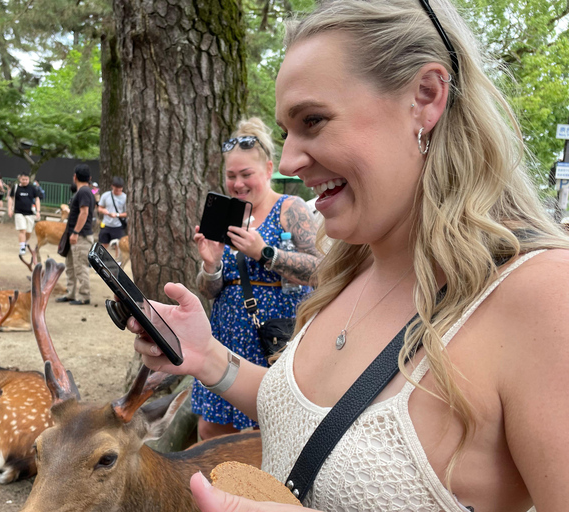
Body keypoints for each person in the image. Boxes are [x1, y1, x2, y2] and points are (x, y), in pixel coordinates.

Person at [130, 0, 569, 510]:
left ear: (425, 97)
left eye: (313, 120)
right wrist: (209, 357)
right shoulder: (354, 263)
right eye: (288, 131)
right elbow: (317, 419)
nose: (290, 160)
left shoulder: (544, 295)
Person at [191, 118, 318, 440]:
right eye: (231, 175)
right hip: (225, 340)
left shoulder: (291, 208)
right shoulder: (228, 215)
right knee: (211, 431)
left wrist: (265, 252)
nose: (237, 183)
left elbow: (323, 269)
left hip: (272, 343)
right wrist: (211, 264)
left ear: (268, 168)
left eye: (246, 174)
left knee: (267, 434)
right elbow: (210, 291)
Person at [56, 164, 95, 306]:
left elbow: (84, 213)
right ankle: (71, 293)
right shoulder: (85, 191)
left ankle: (84, 296)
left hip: (81, 236)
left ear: (75, 177)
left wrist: (76, 232)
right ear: (89, 178)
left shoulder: (83, 192)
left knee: (80, 266)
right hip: (77, 235)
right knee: (71, 266)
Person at [7, 172, 40, 255]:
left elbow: (37, 199)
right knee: (23, 230)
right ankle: (22, 247)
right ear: (20, 179)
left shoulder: (32, 188)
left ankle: (25, 243)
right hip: (19, 212)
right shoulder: (15, 188)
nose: (25, 181)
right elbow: (11, 198)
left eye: (26, 179)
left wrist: (38, 211)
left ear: (29, 179)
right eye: (23, 179)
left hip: (30, 213)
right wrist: (9, 209)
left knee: (29, 232)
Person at [97, 176, 128, 250]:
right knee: (103, 245)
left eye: (120, 188)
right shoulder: (105, 195)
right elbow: (99, 208)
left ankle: (117, 261)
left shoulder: (125, 197)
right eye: (116, 187)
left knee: (118, 246)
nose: (118, 190)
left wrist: (117, 215)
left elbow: (127, 213)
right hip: (106, 224)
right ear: (112, 186)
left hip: (118, 226)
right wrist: (104, 211)